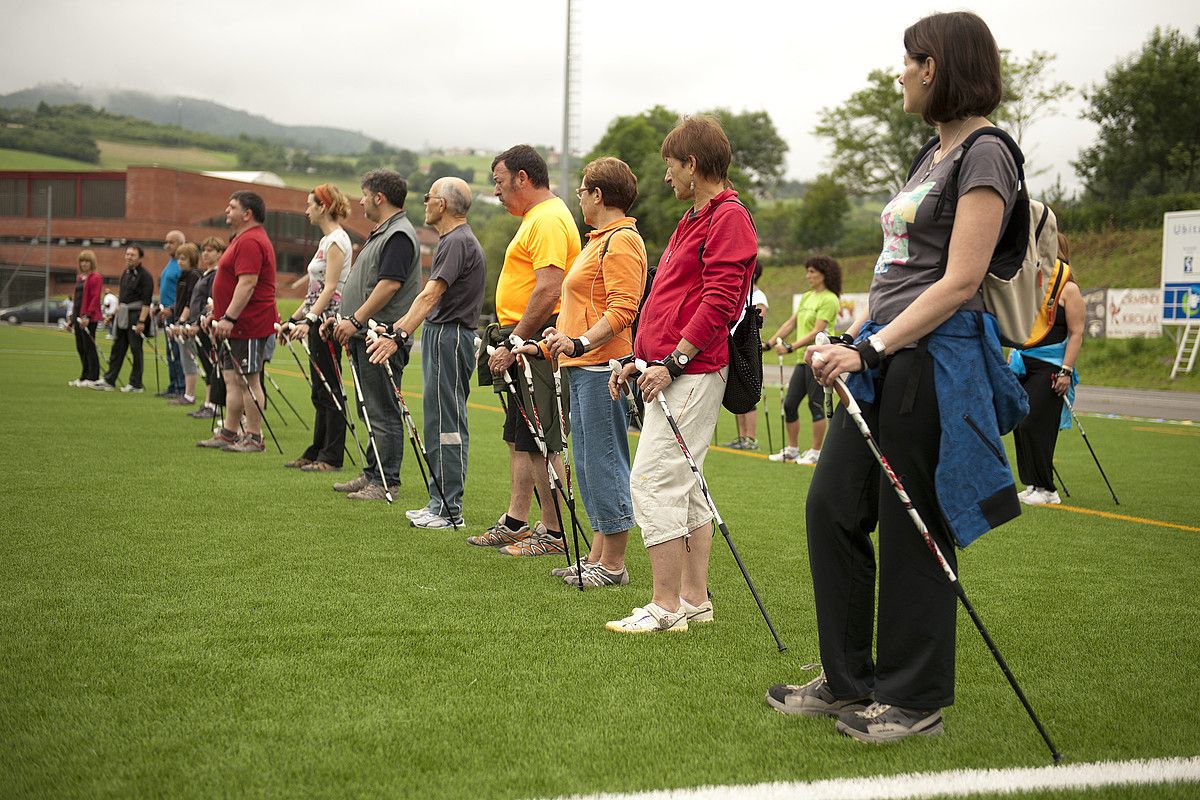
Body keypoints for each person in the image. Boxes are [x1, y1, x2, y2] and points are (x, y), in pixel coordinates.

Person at [773, 11, 1027, 743]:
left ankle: (913, 700)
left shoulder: (985, 154)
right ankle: (849, 681)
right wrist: (849, 339)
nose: (900, 73)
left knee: (913, 525)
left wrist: (871, 348)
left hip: (928, 363)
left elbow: (960, 280)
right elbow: (899, 272)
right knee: (831, 507)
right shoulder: (929, 156)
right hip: (882, 356)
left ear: (938, 66)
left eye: (910, 60)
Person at [607, 114, 758, 633]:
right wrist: (638, 360)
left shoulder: (728, 216)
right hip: (669, 372)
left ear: (692, 165)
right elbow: (669, 301)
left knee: (653, 480)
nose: (665, 178)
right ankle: (694, 598)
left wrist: (671, 363)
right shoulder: (693, 217)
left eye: (671, 167)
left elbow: (720, 304)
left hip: (691, 374)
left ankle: (665, 607)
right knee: (688, 488)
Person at [531, 157, 647, 586]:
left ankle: (614, 564)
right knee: (586, 463)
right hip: (582, 366)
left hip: (603, 369)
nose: (578, 197)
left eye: (582, 190)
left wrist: (580, 343)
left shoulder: (622, 240)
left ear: (598, 194)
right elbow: (581, 311)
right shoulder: (599, 240)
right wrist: (546, 343)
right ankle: (598, 556)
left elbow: (622, 309)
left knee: (603, 460)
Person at [469, 144, 581, 556]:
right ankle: (517, 521)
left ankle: (552, 533)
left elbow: (550, 286)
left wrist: (518, 341)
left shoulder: (549, 217)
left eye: (499, 182)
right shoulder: (537, 217)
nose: (496, 192)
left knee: (540, 436)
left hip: (536, 338)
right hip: (522, 335)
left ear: (522, 178)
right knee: (519, 436)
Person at [367, 177, 486, 528]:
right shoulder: (452, 240)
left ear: (442, 205)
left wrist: (399, 334)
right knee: (437, 421)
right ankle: (438, 503)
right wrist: (397, 327)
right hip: (441, 335)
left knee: (447, 423)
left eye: (427, 197)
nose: (423, 203)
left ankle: (449, 510)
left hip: (450, 338)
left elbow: (430, 295)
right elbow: (428, 301)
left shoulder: (456, 241)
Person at [330, 170, 422, 499]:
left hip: (379, 337)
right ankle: (373, 472)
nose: (360, 200)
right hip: (364, 337)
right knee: (369, 408)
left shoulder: (398, 234)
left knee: (382, 410)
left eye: (364, 194)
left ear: (379, 197)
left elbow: (389, 285)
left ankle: (386, 482)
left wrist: (354, 319)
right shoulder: (385, 232)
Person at [198, 191, 278, 453]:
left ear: (247, 214)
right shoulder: (240, 239)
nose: (226, 211)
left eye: (232, 207)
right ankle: (229, 433)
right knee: (231, 380)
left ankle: (254, 436)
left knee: (248, 380)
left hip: (248, 324)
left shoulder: (251, 241)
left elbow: (248, 283)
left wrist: (230, 317)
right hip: (232, 324)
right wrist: (219, 314)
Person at [1009, 233, 1085, 506]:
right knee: (1019, 420)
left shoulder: (1069, 290)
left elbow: (1076, 333)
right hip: (1024, 363)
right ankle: (1032, 483)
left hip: (1051, 366)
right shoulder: (1035, 285)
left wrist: (1066, 371)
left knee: (1035, 422)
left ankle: (1047, 489)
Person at [283, 184, 353, 473]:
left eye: (310, 204)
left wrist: (310, 320)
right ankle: (317, 450)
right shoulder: (326, 241)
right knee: (319, 390)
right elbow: (314, 292)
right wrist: (294, 318)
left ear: (323, 206)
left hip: (328, 326)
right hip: (316, 321)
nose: (306, 209)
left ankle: (331, 456)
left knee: (330, 389)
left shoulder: (337, 240)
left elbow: (332, 288)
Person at [766, 255, 842, 464]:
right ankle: (792, 449)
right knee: (790, 405)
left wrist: (790, 347)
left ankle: (816, 452)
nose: (808, 275)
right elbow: (791, 323)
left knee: (815, 405)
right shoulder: (807, 297)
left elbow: (817, 331)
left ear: (824, 275)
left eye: (812, 272)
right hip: (802, 360)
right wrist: (770, 343)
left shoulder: (830, 299)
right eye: (807, 271)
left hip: (819, 358)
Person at [91, 245, 153, 392]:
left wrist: (141, 321)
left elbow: (146, 302)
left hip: (136, 315)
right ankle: (109, 379)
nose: (129, 257)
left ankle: (135, 384)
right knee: (117, 348)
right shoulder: (125, 273)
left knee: (136, 349)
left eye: (132, 255)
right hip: (122, 315)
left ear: (139, 257)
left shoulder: (145, 276)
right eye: (127, 254)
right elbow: (122, 299)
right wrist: (112, 316)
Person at [722, 263, 768, 450]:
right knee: (737, 388)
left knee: (747, 387)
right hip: (733, 345)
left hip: (746, 348)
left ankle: (750, 437)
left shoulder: (758, 296)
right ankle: (742, 436)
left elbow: (758, 321)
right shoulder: (740, 292)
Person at [184, 237, 225, 419]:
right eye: (204, 250)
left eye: (211, 250)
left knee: (211, 364)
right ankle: (208, 402)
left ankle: (213, 404)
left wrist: (199, 321)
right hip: (197, 325)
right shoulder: (206, 274)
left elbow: (209, 302)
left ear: (220, 253)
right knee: (206, 365)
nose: (206, 254)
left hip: (206, 326)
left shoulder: (216, 275)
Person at [166, 243, 201, 406]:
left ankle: (189, 394)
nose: (180, 262)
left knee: (189, 359)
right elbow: (180, 301)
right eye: (178, 258)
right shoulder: (183, 275)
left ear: (192, 259)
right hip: (179, 321)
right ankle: (186, 393)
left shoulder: (194, 275)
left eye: (183, 258)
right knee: (183, 359)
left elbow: (190, 301)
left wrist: (181, 321)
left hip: (187, 324)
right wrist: (172, 311)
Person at [67, 249, 104, 387]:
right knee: (80, 347)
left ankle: (93, 376)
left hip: (89, 317)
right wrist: (71, 319)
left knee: (89, 347)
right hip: (78, 316)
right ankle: (84, 375)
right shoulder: (79, 278)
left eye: (87, 261)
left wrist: (87, 315)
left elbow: (95, 297)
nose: (84, 264)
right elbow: (77, 299)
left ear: (92, 262)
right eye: (82, 261)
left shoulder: (96, 277)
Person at [157, 230, 186, 398]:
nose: (167, 245)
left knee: (177, 352)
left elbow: (185, 293)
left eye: (171, 242)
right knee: (170, 352)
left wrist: (172, 308)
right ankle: (173, 384)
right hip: (166, 313)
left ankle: (181, 387)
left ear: (181, 244)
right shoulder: (170, 263)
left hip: (177, 315)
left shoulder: (181, 267)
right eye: (166, 242)